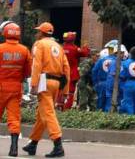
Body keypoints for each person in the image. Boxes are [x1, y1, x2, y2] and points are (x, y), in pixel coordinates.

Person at [23, 22, 70, 158]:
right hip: (56, 83)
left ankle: (58, 145)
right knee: (42, 113)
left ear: (42, 33)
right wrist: (65, 90)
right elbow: (66, 68)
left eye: (38, 31)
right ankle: (33, 144)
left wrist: (34, 84)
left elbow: (36, 65)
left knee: (47, 112)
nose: (37, 33)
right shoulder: (59, 47)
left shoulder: (39, 45)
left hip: (44, 81)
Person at [0, 22, 31, 156]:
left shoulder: (0, 48)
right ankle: (14, 148)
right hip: (15, 88)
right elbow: (28, 72)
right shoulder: (24, 50)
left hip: (1, 87)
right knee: (14, 118)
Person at [60, 31, 90, 110]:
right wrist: (85, 46)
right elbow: (85, 53)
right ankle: (66, 109)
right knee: (70, 92)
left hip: (61, 73)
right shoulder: (75, 49)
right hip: (72, 74)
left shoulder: (60, 48)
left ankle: (60, 106)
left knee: (60, 91)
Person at [119, 46, 135, 115]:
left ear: (130, 53)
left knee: (128, 101)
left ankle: (130, 117)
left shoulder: (125, 63)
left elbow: (122, 75)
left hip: (128, 83)